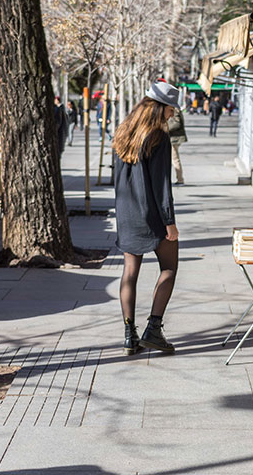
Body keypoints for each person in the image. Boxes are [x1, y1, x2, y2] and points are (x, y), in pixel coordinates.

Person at [113, 81, 180, 356]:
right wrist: (170, 221)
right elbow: (162, 185)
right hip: (152, 215)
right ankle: (154, 329)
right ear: (159, 108)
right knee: (169, 268)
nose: (173, 114)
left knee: (130, 272)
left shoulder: (122, 133)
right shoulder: (158, 137)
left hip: (127, 213)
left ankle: (130, 335)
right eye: (171, 109)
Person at [167, 104, 187, 186]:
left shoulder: (174, 110)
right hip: (174, 138)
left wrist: (165, 128)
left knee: (174, 159)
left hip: (174, 138)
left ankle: (180, 179)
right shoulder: (175, 109)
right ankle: (179, 178)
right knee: (174, 159)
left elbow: (176, 123)